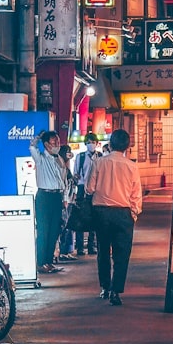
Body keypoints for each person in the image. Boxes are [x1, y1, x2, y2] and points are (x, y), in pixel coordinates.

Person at [86, 129, 142, 306]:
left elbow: (89, 188)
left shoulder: (99, 163)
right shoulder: (131, 166)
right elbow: (136, 194)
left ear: (110, 144)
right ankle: (116, 291)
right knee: (122, 253)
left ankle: (105, 287)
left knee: (103, 251)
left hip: (101, 212)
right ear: (127, 146)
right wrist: (134, 213)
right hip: (123, 213)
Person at [29, 130, 66, 274]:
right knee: (43, 230)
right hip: (44, 196)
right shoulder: (40, 158)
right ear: (46, 145)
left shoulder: (59, 159)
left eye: (58, 141)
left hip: (57, 197)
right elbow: (32, 147)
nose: (57, 144)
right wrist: (37, 138)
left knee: (54, 230)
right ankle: (40, 262)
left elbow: (62, 178)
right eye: (54, 142)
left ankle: (49, 262)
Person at [72, 132, 100, 256]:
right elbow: (76, 173)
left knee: (94, 217)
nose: (91, 144)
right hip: (82, 188)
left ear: (97, 143)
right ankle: (80, 247)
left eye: (93, 142)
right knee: (80, 217)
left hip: (95, 189)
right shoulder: (80, 156)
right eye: (88, 142)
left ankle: (91, 245)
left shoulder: (100, 156)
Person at [56, 144, 78, 262]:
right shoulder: (61, 167)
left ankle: (67, 250)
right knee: (63, 227)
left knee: (69, 227)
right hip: (65, 201)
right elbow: (64, 186)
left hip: (69, 201)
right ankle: (62, 251)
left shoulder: (66, 168)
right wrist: (65, 200)